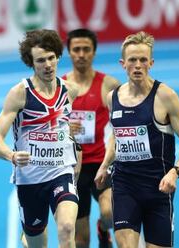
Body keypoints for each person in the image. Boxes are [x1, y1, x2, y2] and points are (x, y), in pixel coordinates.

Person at [94, 31, 179, 247]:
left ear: (151, 62)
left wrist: (175, 172)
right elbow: (117, 135)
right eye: (132, 60)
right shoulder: (112, 98)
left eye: (143, 60)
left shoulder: (165, 96)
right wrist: (105, 165)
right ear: (123, 64)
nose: (138, 65)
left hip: (158, 189)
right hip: (124, 186)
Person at [0, 29, 81, 248]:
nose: (48, 65)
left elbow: (61, 127)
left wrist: (70, 135)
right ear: (31, 62)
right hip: (30, 180)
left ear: (58, 56)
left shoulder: (70, 90)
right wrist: (11, 155)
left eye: (51, 58)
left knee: (67, 227)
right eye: (41, 60)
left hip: (61, 171)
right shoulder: (20, 93)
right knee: (36, 243)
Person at [62, 28, 120, 248]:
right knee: (81, 241)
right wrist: (64, 128)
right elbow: (49, 126)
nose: (81, 54)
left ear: (94, 52)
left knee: (110, 213)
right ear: (69, 52)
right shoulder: (61, 87)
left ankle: (103, 229)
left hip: (100, 164)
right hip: (72, 167)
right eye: (76, 49)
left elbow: (123, 122)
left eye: (86, 49)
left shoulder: (109, 85)